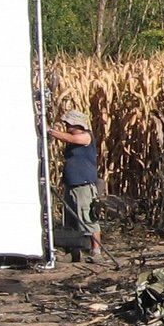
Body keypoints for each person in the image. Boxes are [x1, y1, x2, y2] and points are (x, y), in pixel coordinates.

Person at [51, 109, 102, 262]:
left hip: (83, 186)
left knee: (88, 219)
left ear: (76, 124)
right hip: (71, 185)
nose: (66, 126)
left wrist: (50, 131)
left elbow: (70, 138)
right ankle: (74, 251)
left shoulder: (86, 137)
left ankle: (96, 251)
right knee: (71, 221)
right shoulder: (74, 139)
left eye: (68, 124)